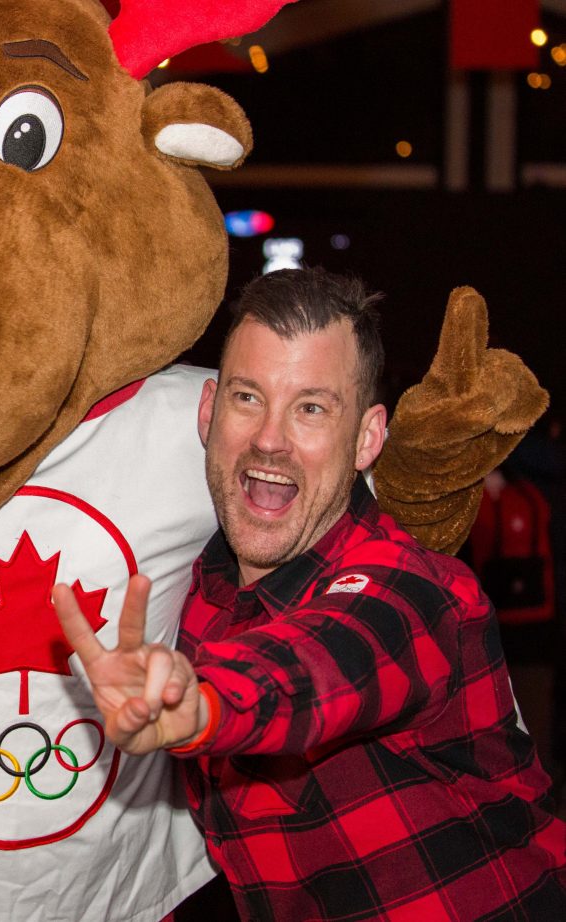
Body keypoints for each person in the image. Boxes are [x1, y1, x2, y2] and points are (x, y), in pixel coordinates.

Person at [55, 268, 566, 920]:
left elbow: (325, 661)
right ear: (208, 412)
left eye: (312, 409)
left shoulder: (414, 586)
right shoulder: (199, 599)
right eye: (248, 398)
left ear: (367, 438)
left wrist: (200, 701)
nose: (270, 439)